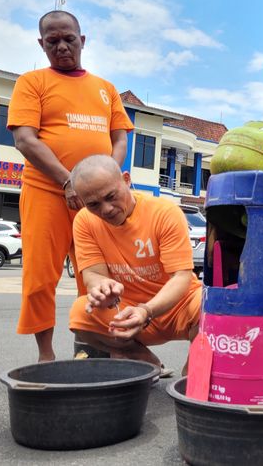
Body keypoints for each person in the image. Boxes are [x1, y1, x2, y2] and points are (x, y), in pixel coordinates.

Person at [8, 10, 134, 362]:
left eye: (69, 39)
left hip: (94, 202)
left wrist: (105, 180)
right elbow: (25, 140)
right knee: (39, 277)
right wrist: (67, 181)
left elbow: (119, 140)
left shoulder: (106, 89)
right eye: (53, 42)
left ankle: (99, 351)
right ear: (41, 44)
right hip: (47, 191)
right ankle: (45, 356)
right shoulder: (32, 82)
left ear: (83, 40)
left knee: (98, 276)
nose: (62, 47)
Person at [67, 155, 202, 375]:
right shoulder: (84, 221)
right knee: (80, 313)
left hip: (178, 306)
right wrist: (103, 289)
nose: (106, 209)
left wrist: (146, 310)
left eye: (111, 196)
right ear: (82, 201)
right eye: (93, 204)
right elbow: (93, 274)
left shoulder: (163, 212)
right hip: (127, 311)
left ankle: (193, 374)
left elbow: (181, 276)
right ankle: (143, 359)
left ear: (126, 180)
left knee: (211, 307)